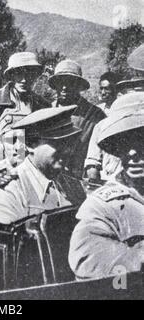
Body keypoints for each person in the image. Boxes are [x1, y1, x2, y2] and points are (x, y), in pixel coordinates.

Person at [69, 92, 144, 280]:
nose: (132, 152)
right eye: (124, 143)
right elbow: (88, 258)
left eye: (141, 140)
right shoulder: (103, 205)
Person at [0, 106, 86, 224]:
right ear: (30, 145)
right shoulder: (9, 193)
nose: (68, 150)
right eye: (58, 143)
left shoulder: (73, 186)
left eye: (69, 143)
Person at [0, 52, 50, 162]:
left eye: (29, 74)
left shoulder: (42, 105)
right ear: (11, 75)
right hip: (1, 164)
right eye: (19, 73)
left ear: (35, 75)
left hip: (32, 166)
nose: (24, 79)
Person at [49, 59, 106, 178]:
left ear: (79, 86)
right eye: (60, 82)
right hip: (49, 178)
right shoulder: (46, 111)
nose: (64, 87)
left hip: (79, 179)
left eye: (70, 82)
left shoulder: (95, 115)